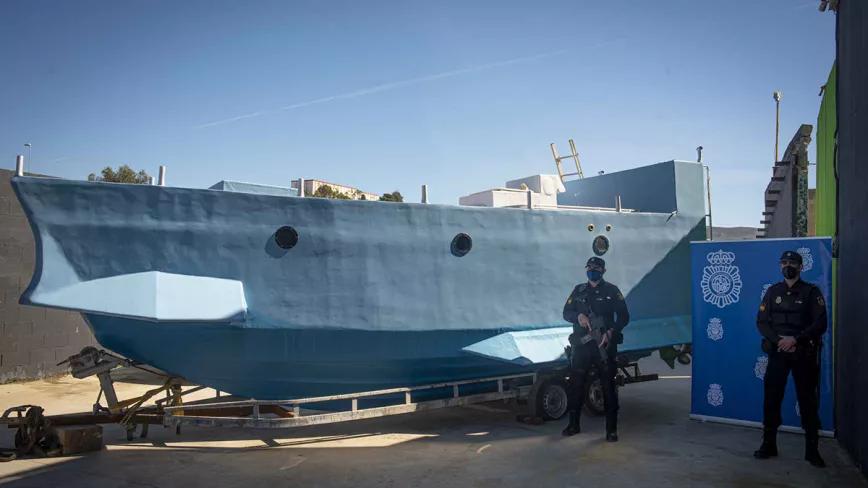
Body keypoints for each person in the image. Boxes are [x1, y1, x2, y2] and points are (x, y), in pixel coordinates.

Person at [754, 250, 828, 468]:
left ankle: (812, 451)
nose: (788, 266)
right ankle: (769, 444)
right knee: (771, 398)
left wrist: (796, 339)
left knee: (807, 400)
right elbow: (762, 322)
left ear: (800, 267)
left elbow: (820, 323)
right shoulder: (772, 291)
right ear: (780, 266)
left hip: (803, 354)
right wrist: (779, 341)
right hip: (778, 353)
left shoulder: (811, 292)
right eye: (784, 262)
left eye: (792, 263)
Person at [561, 256, 629, 441]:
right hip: (582, 347)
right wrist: (579, 317)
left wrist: (611, 332)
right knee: (576, 385)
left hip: (604, 346)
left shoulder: (612, 291)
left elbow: (624, 316)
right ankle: (573, 425)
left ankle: (611, 430)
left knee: (608, 387)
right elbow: (566, 313)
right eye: (589, 268)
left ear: (603, 271)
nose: (592, 271)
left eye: (596, 268)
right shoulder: (578, 290)